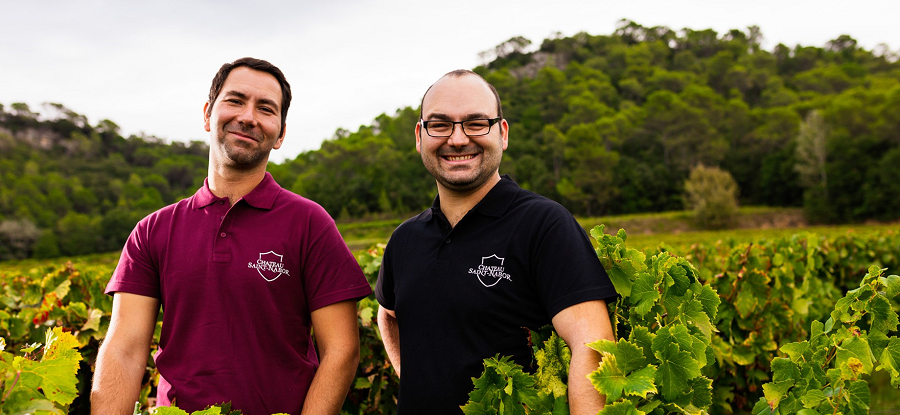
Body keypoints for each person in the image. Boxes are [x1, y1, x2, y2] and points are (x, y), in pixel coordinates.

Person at [91, 57, 372, 415]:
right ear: (208, 113)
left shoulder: (310, 223)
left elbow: (342, 350)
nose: (249, 117)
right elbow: (124, 350)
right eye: (235, 100)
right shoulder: (153, 231)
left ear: (281, 133)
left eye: (266, 108)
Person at [375, 70, 618, 414]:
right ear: (420, 136)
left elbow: (592, 346)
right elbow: (388, 315)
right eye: (440, 124)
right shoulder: (404, 239)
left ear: (502, 133)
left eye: (476, 123)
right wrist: (414, 381)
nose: (457, 139)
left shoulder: (544, 225)